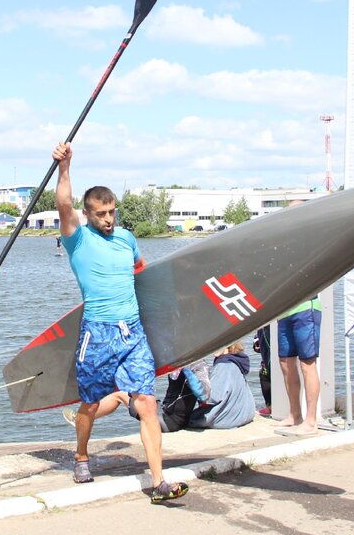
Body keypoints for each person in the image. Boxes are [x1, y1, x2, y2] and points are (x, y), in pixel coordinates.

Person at [52, 141, 186, 503]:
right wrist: (65, 167)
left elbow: (142, 274)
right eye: (101, 213)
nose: (109, 219)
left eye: (112, 211)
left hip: (133, 332)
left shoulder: (127, 238)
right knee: (91, 404)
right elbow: (63, 204)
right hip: (97, 333)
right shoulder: (77, 239)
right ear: (88, 213)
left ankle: (159, 481)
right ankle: (81, 455)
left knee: (146, 404)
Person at [72, 344, 257, 433]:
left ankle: (83, 418)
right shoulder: (191, 364)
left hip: (170, 421)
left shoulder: (195, 367)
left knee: (119, 395)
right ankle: (85, 417)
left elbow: (203, 394)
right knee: (130, 394)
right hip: (168, 413)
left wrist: (186, 369)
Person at [273, 296, 323, 437]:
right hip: (284, 312)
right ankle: (295, 415)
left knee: (307, 364)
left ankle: (311, 421)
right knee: (285, 362)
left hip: (306, 308)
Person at [252, 327, 272, 416]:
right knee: (264, 376)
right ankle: (269, 406)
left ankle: (271, 406)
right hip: (266, 360)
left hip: (271, 358)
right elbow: (256, 348)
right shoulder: (261, 329)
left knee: (267, 376)